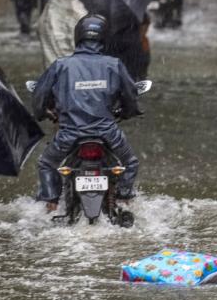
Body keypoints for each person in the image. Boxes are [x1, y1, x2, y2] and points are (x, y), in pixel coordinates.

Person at [32, 14, 142, 211]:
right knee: (130, 163)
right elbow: (130, 95)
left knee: (47, 164)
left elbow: (39, 95)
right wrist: (129, 112)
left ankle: (51, 203)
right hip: (108, 132)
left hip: (69, 133)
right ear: (104, 38)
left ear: (78, 37)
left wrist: (42, 113)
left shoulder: (61, 65)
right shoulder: (114, 64)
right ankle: (123, 199)